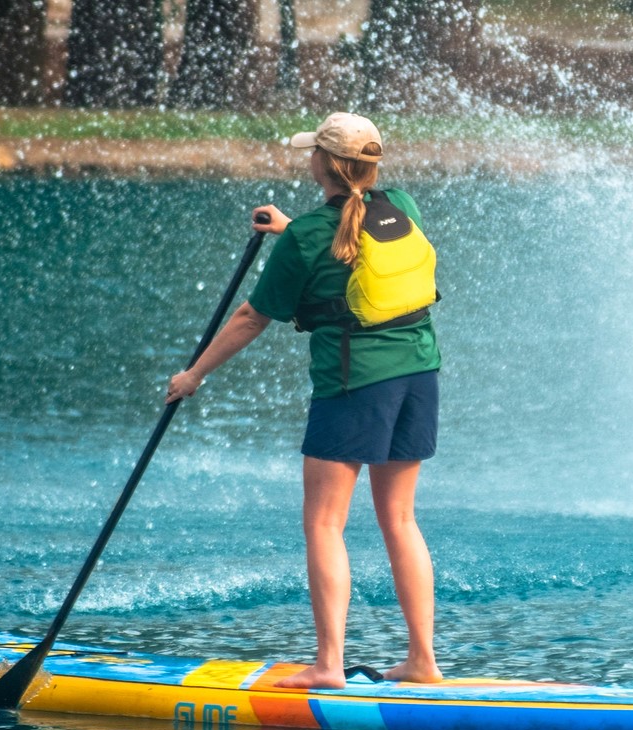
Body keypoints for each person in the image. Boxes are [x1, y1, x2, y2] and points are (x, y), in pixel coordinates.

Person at [167, 112, 443, 688]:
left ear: (323, 163)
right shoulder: (403, 208)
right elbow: (351, 246)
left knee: (323, 523)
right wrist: (292, 229)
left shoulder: (307, 237)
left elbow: (250, 318)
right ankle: (423, 661)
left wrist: (193, 375)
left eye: (312, 152)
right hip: (419, 374)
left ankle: (328, 666)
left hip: (354, 384)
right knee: (399, 518)